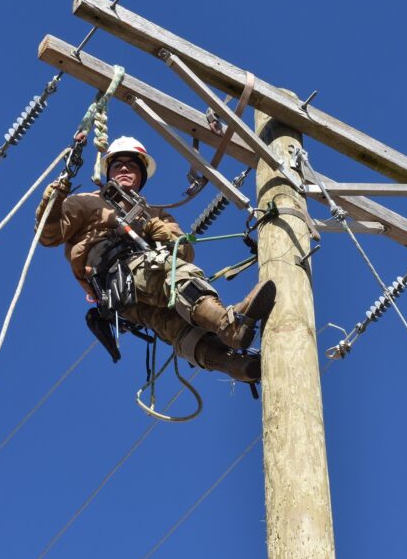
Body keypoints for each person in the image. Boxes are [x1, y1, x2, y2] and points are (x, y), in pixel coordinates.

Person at [35, 136, 276, 383]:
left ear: (141, 176)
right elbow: (48, 234)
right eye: (118, 165)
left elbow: (183, 251)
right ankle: (229, 324)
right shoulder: (87, 201)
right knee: (173, 274)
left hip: (132, 294)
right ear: (109, 172)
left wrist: (158, 229)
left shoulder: (155, 212)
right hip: (115, 275)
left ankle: (235, 364)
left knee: (175, 325)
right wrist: (53, 197)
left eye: (132, 165)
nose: (125, 168)